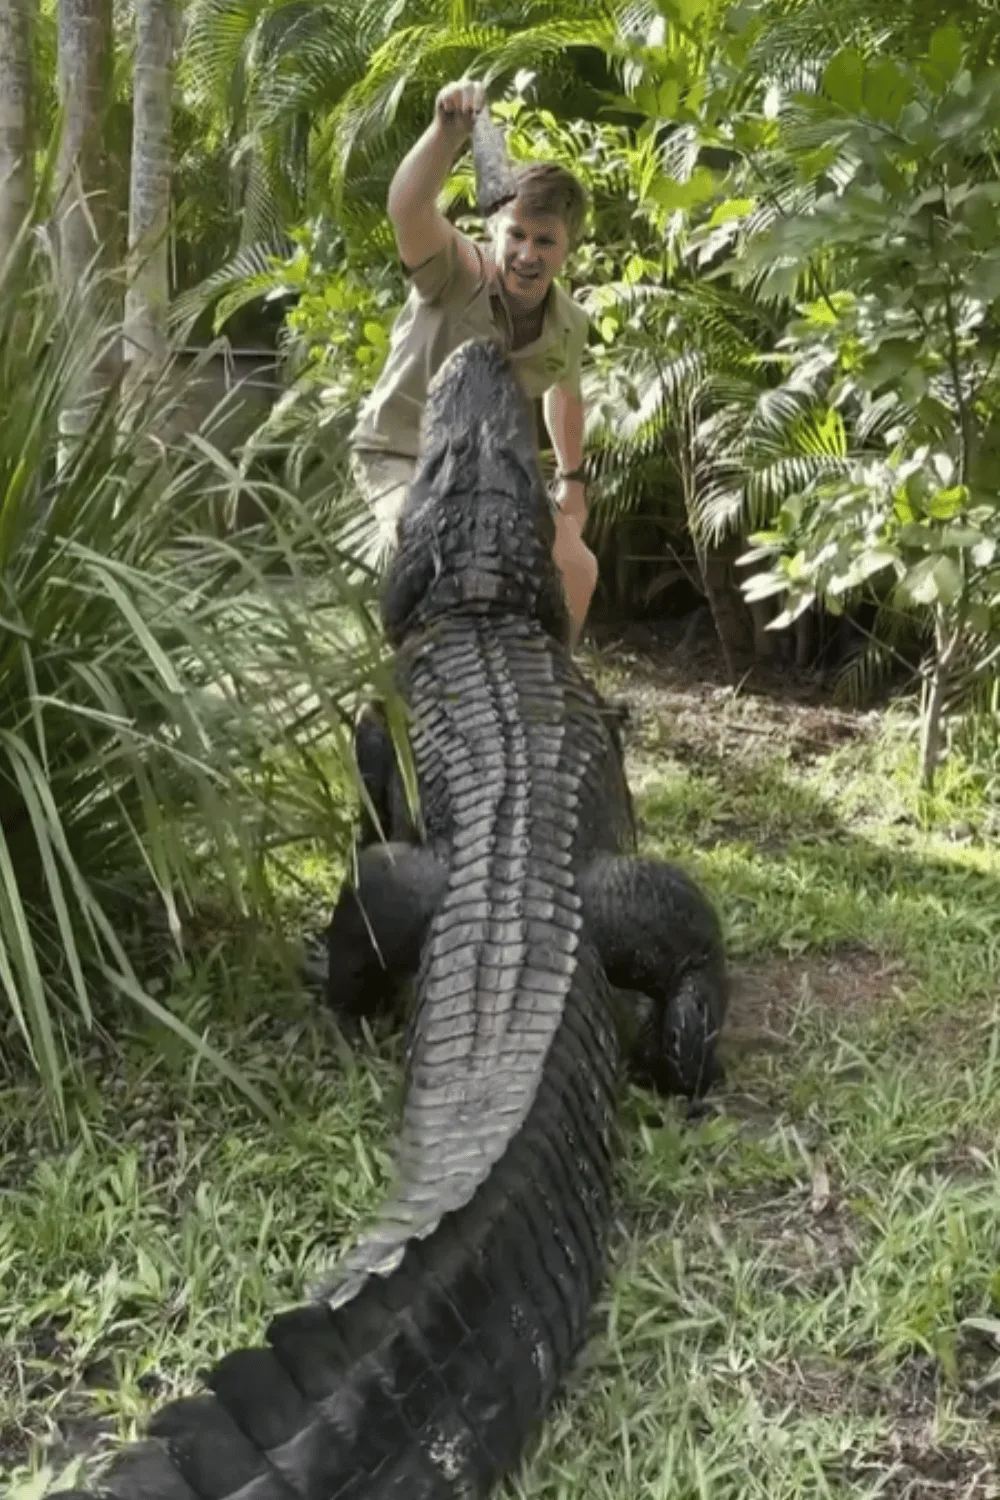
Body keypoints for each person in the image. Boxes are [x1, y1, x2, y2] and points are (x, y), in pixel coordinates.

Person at [350, 78, 599, 647]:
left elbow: (565, 392)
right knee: (420, 545)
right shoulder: (458, 271)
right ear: (493, 230)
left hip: (494, 470)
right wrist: (445, 135)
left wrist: (572, 478)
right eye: (516, 235)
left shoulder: (569, 322)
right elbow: (408, 208)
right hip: (403, 454)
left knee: (577, 568)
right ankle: (397, 699)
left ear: (568, 248)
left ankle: (551, 682)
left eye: (545, 241)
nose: (527, 254)